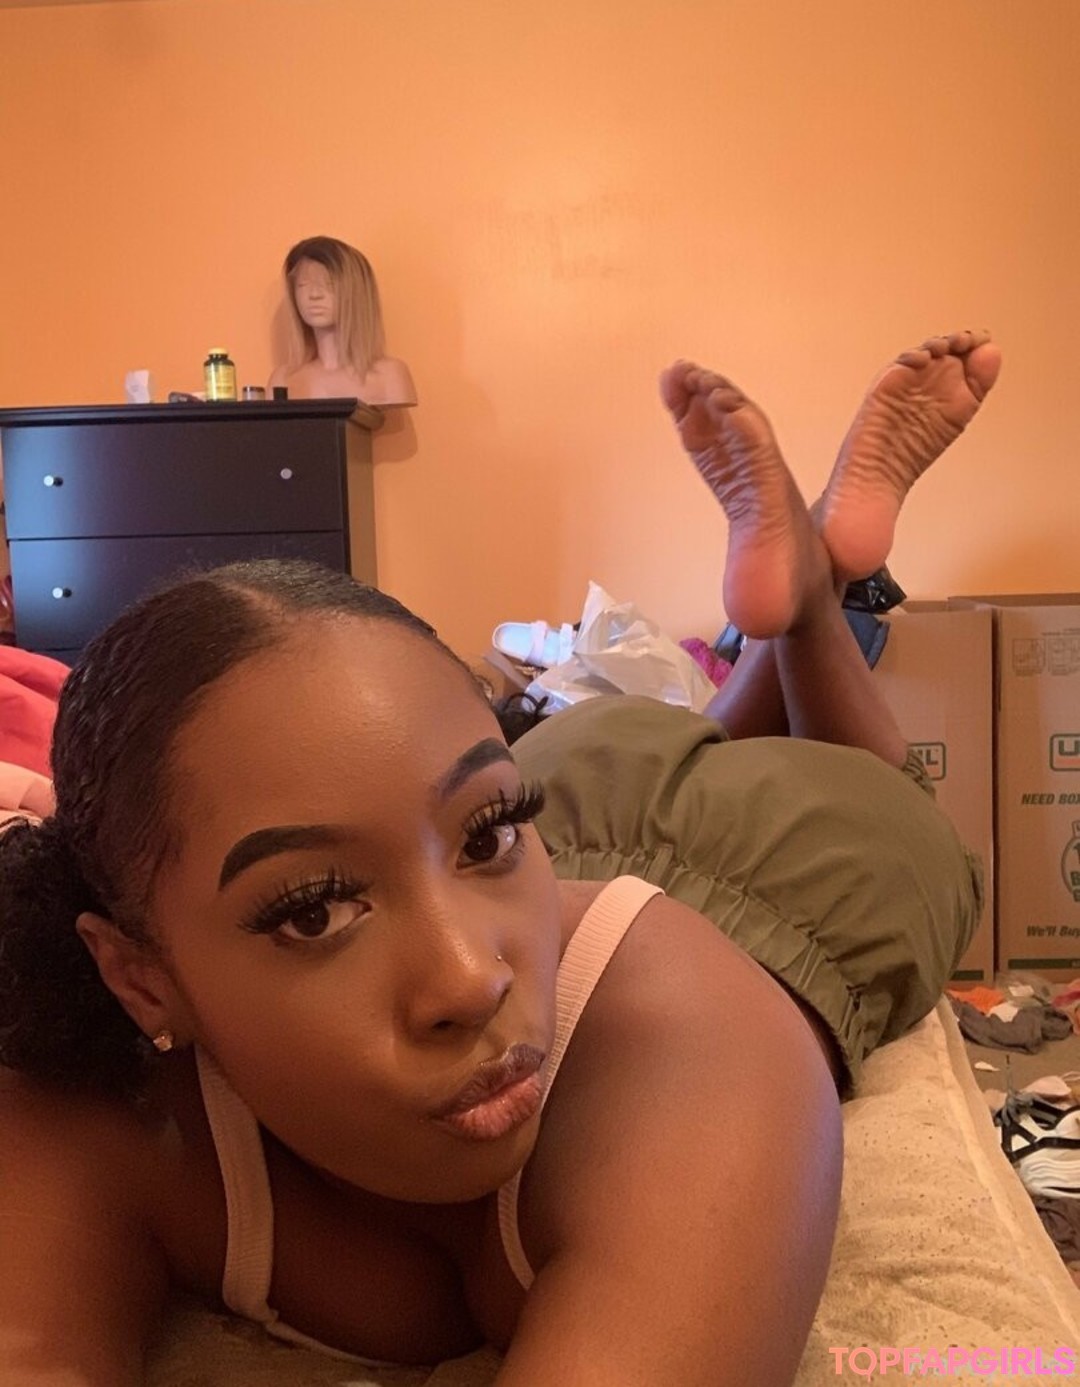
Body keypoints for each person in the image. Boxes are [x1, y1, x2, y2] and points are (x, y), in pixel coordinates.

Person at [0, 329, 998, 1385]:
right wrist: (477, 835)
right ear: (139, 976)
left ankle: (808, 608)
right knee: (682, 749)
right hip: (572, 795)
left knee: (868, 784)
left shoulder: (709, 1049)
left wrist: (464, 840)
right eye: (315, 910)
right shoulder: (98, 1112)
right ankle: (792, 594)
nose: (473, 978)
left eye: (488, 830)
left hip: (771, 881)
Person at [268, 235, 417, 408]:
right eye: (303, 285)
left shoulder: (390, 375)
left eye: (329, 284)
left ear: (355, 292)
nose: (314, 294)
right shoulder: (283, 379)